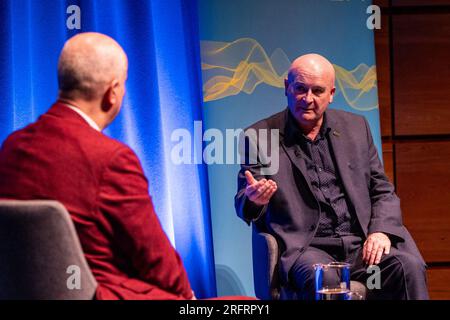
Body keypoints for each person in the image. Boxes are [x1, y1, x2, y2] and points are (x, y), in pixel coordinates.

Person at [0, 32, 194, 300]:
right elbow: (157, 262)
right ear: (112, 92)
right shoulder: (111, 158)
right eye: (123, 84)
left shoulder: (11, 146)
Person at [235, 53, 429, 299]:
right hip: (307, 248)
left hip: (360, 249)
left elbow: (382, 189)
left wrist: (380, 231)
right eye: (300, 89)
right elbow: (244, 201)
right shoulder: (260, 136)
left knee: (405, 268)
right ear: (286, 87)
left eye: (317, 91)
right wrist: (255, 199)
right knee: (324, 279)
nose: (308, 99)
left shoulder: (356, 128)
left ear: (331, 94)